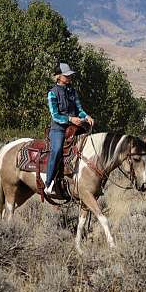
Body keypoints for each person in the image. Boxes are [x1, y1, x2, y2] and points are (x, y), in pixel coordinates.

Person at [45, 63, 94, 195]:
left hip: (74, 127)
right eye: (67, 75)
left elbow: (79, 109)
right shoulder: (52, 93)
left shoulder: (72, 91)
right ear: (59, 76)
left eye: (70, 75)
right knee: (56, 150)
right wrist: (70, 119)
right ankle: (48, 183)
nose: (70, 77)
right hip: (58, 129)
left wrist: (86, 116)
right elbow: (55, 115)